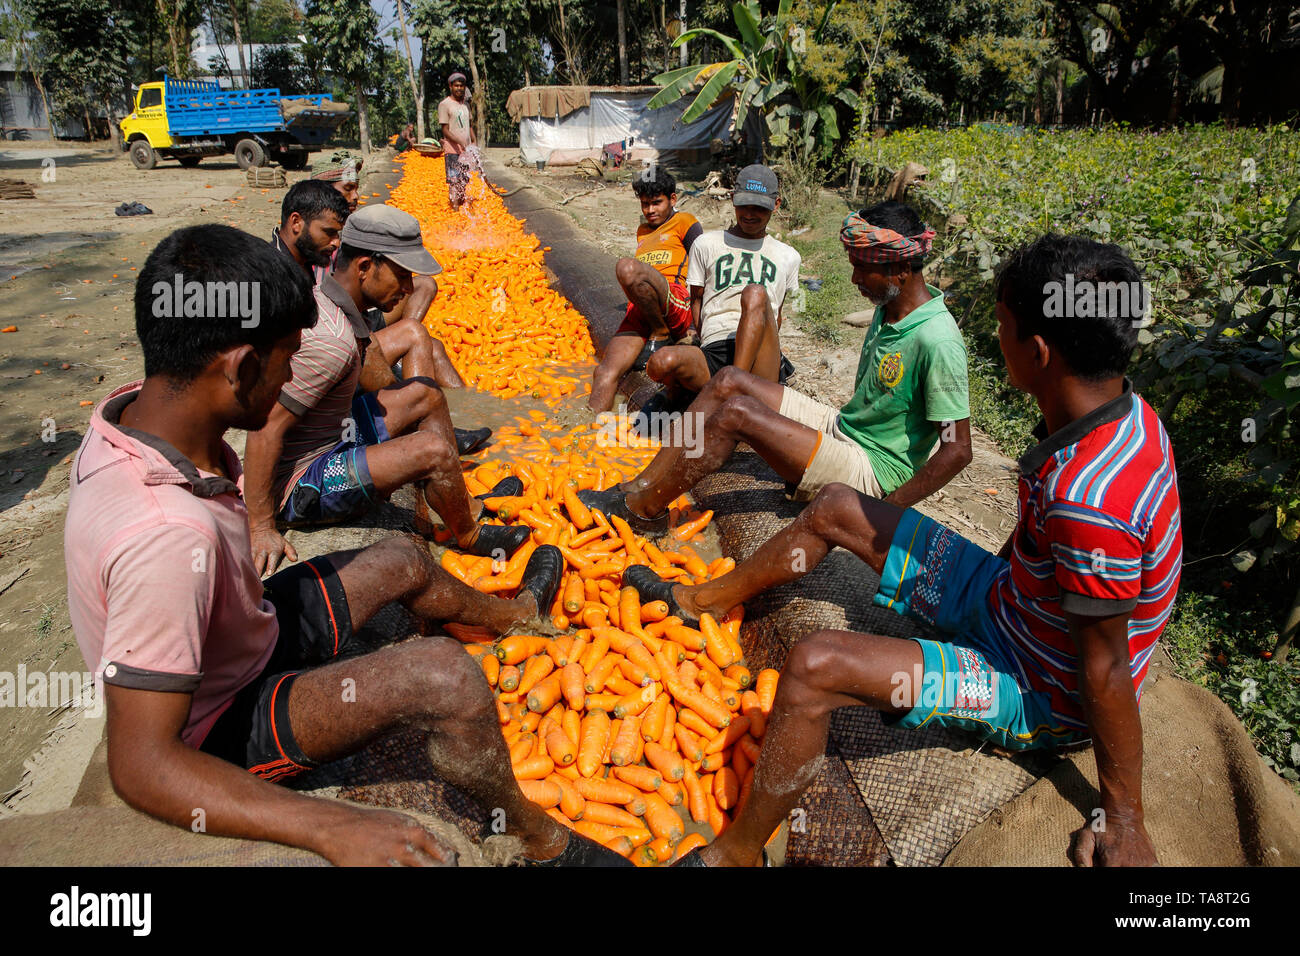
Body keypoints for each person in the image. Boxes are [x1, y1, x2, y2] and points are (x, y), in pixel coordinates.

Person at [64, 224, 625, 867]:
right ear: (242, 367)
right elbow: (140, 764)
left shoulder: (140, 414)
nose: (292, 380)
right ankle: (541, 838)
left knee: (403, 561)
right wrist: (327, 827)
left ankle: (515, 616)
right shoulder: (162, 536)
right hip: (216, 723)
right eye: (287, 361)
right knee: (445, 675)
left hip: (242, 633)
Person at [670, 234, 1179, 868]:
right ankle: (699, 600)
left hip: (1036, 684)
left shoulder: (1092, 501)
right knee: (831, 506)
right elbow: (1042, 547)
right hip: (1008, 598)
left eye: (1001, 326)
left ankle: (735, 854)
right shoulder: (1121, 413)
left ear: (1039, 351)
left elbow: (1102, 669)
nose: (993, 339)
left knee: (812, 664)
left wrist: (1122, 816)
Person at [578, 202, 972, 535]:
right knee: (729, 380)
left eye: (860, 268)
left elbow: (958, 450)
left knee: (736, 415)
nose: (853, 279)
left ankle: (644, 511)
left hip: (873, 468)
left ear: (899, 269)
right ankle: (642, 482)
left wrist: (889, 511)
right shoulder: (889, 307)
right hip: (844, 427)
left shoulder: (937, 340)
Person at [244, 204, 516, 575]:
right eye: (402, 276)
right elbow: (265, 430)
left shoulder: (335, 308)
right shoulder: (331, 340)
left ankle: (459, 502)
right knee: (432, 450)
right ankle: (466, 534)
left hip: (333, 437)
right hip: (304, 483)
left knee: (425, 393)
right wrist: (260, 527)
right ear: (365, 268)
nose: (408, 289)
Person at [637, 164, 800, 415]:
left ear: (776, 204)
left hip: (760, 357)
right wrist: (703, 340)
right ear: (733, 199)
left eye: (759, 207)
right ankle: (726, 390)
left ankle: (732, 388)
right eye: (744, 205)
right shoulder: (706, 244)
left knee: (755, 294)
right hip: (714, 349)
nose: (750, 214)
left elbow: (775, 315)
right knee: (660, 362)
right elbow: (697, 302)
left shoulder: (788, 256)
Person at [588, 166, 703, 413]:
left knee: (628, 269)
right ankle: (591, 438)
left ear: (673, 199)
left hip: (675, 299)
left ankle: (661, 332)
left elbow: (705, 263)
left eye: (656, 203)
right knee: (604, 371)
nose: (650, 210)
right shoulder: (642, 231)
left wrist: (696, 324)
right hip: (642, 308)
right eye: (644, 204)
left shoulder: (685, 222)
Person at [270, 180, 350, 280]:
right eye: (329, 232)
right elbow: (244, 295)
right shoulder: (256, 270)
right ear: (296, 222)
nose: (336, 243)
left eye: (337, 233)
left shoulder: (304, 264)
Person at [438, 72, 475, 209]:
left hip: (465, 150)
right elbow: (445, 130)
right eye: (456, 86)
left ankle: (462, 206)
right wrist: (460, 141)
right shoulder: (445, 104)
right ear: (450, 86)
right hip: (452, 150)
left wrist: (474, 141)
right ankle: (454, 209)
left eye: (462, 86)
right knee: (454, 180)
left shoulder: (465, 105)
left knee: (464, 180)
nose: (459, 88)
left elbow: (469, 125)